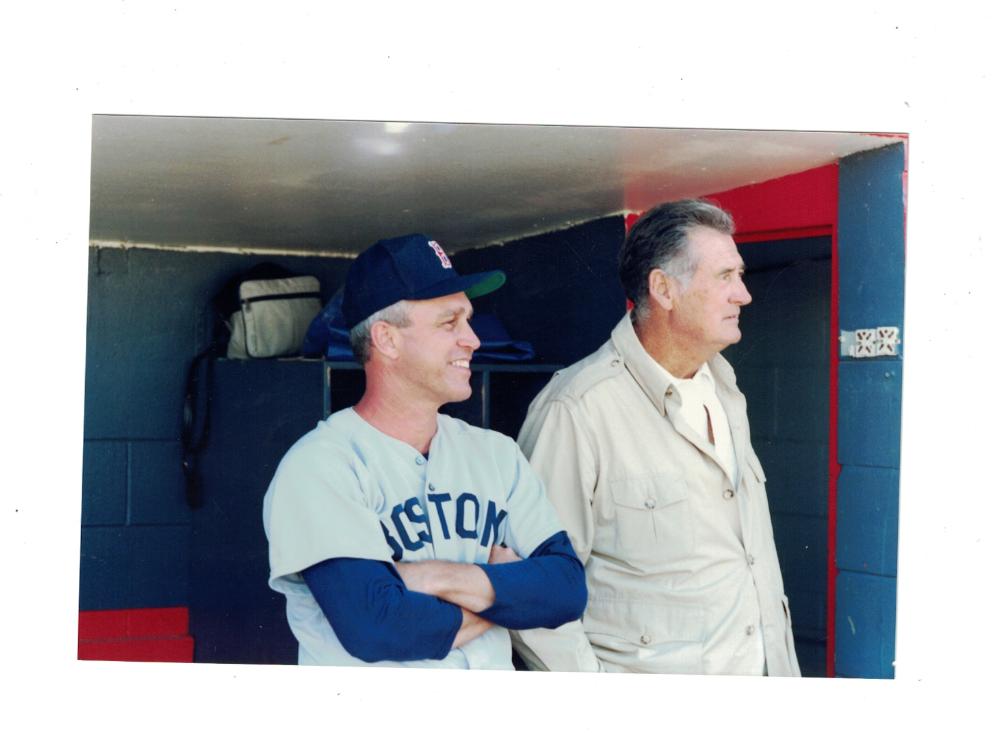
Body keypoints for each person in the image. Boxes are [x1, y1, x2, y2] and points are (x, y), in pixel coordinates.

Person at [262, 233, 587, 669]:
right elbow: (378, 626)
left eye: (468, 320)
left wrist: (436, 576)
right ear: (387, 340)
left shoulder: (496, 454)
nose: (472, 339)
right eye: (449, 322)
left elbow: (567, 590)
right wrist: (507, 591)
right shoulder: (320, 467)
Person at [512, 200, 802, 676]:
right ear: (663, 289)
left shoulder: (726, 390)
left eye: (740, 275)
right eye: (725, 277)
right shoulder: (577, 410)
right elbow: (531, 591)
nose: (744, 294)